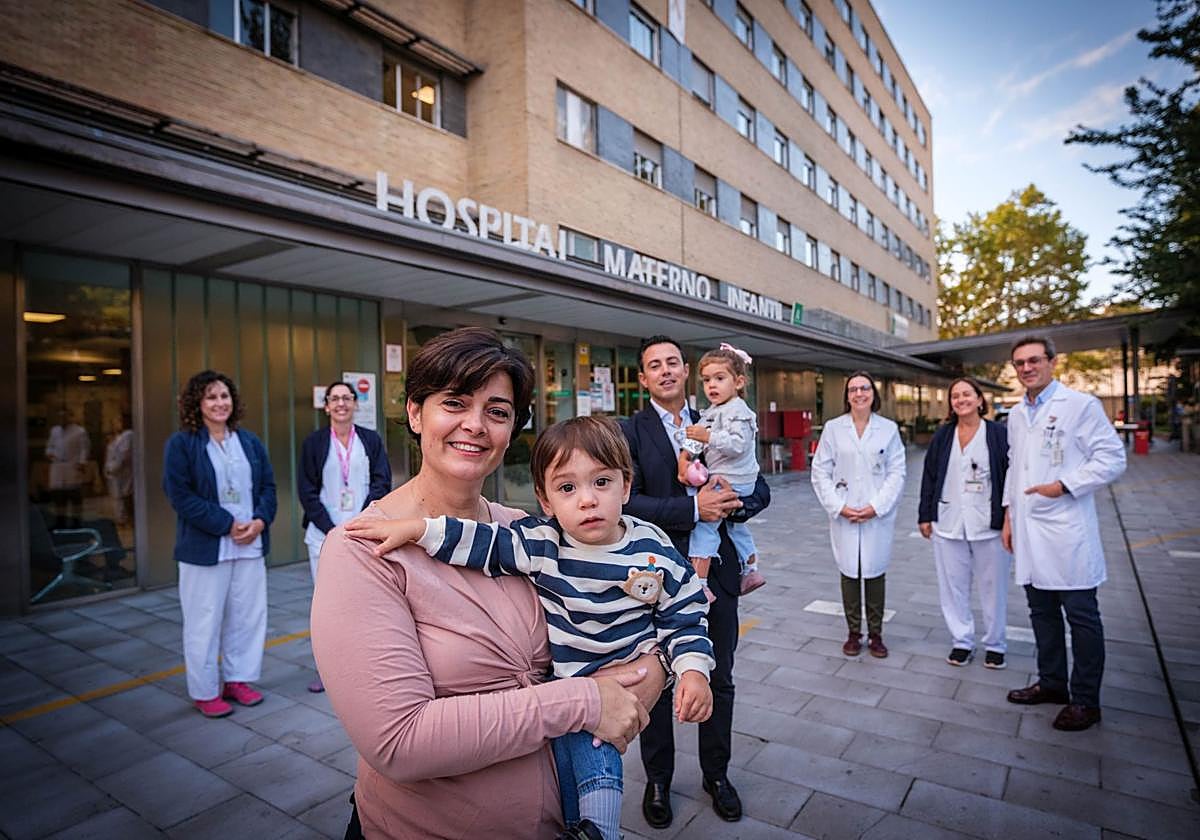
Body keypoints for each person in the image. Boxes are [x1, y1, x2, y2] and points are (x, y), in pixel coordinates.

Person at [310, 327, 663, 840]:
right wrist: (586, 702)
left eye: (497, 411)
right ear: (415, 414)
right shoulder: (362, 550)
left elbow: (621, 611)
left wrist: (660, 665)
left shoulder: (526, 532)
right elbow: (399, 742)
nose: (474, 425)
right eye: (454, 403)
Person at [348, 415, 714, 840]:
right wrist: (417, 529)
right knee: (581, 765)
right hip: (569, 689)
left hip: (623, 687)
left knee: (598, 767)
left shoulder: (653, 548)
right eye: (567, 488)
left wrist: (692, 670)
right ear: (546, 500)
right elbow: (482, 543)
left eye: (602, 482)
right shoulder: (543, 542)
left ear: (626, 486)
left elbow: (685, 613)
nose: (587, 500)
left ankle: (597, 829)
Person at [622, 335, 772, 829]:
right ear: (643, 378)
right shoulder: (630, 431)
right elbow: (627, 501)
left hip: (717, 571)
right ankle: (659, 780)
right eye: (654, 365)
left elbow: (759, 486)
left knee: (719, 675)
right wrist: (693, 509)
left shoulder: (720, 414)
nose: (665, 370)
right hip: (655, 575)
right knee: (657, 679)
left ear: (686, 371)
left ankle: (717, 774)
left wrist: (734, 504)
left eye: (673, 362)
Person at [1003, 336, 1126, 732]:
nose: (1027, 368)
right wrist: (1008, 516)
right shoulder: (1017, 414)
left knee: (1081, 616)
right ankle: (1052, 683)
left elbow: (1112, 458)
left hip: (1066, 528)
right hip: (1028, 528)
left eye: (1034, 360)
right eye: (1020, 363)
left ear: (1052, 362)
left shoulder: (1080, 406)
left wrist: (1064, 485)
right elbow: (1014, 467)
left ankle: (1086, 701)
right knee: (1041, 612)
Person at [162, 370, 277, 718]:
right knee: (204, 621)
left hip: (249, 546)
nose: (219, 403)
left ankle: (238, 679)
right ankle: (205, 690)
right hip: (206, 549)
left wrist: (260, 521)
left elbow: (268, 487)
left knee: (247, 617)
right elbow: (180, 495)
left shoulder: (249, 442)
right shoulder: (182, 444)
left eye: (224, 396)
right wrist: (226, 524)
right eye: (211, 397)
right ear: (197, 403)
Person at [298, 380, 392, 692]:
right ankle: (329, 671)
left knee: (366, 601)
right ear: (326, 406)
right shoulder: (314, 443)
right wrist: (331, 528)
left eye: (347, 398)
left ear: (354, 404)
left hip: (363, 533)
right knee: (328, 606)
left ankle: (367, 666)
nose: (341, 403)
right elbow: (306, 491)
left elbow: (382, 482)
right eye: (335, 399)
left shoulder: (370, 439)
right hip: (323, 535)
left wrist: (361, 522)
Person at [811, 371, 906, 660]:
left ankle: (876, 634)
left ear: (873, 394)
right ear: (847, 396)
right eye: (853, 389)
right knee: (849, 570)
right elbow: (820, 471)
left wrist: (876, 506)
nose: (859, 394)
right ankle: (854, 632)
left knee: (875, 571)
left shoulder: (888, 429)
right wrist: (839, 506)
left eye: (865, 388)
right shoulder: (833, 428)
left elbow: (897, 472)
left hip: (877, 515)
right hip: (845, 512)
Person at [918, 378, 1011, 668]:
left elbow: (1010, 476)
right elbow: (929, 476)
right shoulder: (943, 435)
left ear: (980, 400)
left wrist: (1010, 518)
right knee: (953, 587)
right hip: (948, 520)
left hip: (989, 523)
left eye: (967, 394)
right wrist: (924, 515)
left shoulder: (998, 434)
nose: (961, 400)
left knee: (993, 587)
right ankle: (962, 641)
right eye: (955, 396)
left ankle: (995, 643)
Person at [677, 344, 766, 598]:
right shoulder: (714, 411)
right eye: (706, 380)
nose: (711, 385)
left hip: (733, 478)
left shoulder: (738, 410)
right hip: (731, 477)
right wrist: (686, 456)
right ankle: (751, 569)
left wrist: (707, 437)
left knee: (705, 526)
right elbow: (698, 439)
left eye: (719, 378)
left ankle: (700, 584)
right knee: (735, 526)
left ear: (738, 382)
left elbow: (738, 445)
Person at [46, 407, 90, 527]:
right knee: (59, 498)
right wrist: (50, 453)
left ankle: (76, 522)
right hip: (58, 468)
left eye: (64, 416)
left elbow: (84, 449)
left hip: (72, 467)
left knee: (74, 497)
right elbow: (50, 446)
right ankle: (60, 522)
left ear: (70, 417)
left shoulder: (80, 431)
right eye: (60, 417)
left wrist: (81, 462)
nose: (62, 419)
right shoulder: (54, 430)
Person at [104, 415, 134, 525]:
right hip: (114, 472)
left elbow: (123, 455)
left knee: (123, 497)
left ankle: (125, 519)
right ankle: (121, 519)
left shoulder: (128, 435)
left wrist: (113, 468)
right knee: (117, 497)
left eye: (117, 421)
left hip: (121, 472)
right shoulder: (117, 438)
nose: (114, 424)